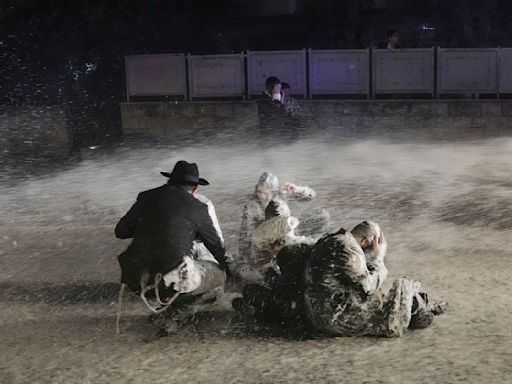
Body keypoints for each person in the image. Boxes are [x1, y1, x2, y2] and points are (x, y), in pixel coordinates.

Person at [115, 160, 235, 335]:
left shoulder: (146, 197)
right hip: (168, 281)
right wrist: (232, 271)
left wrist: (152, 226)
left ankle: (165, 308)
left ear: (170, 181)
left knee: (171, 269)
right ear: (194, 189)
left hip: (137, 279)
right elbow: (216, 246)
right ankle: (172, 316)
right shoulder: (198, 208)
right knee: (218, 280)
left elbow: (121, 231)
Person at [304, 221, 446, 337]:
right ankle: (422, 306)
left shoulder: (330, 239)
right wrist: (379, 257)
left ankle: (422, 303)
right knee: (400, 295)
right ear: (366, 242)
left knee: (389, 299)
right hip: (336, 318)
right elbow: (367, 287)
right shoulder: (349, 248)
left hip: (317, 311)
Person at [238, 172, 316, 274]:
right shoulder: (252, 206)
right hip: (270, 242)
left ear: (273, 192)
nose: (262, 196)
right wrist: (245, 261)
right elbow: (246, 234)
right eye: (259, 192)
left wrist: (298, 190)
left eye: (266, 193)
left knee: (322, 216)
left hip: (289, 230)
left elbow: (310, 197)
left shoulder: (281, 195)